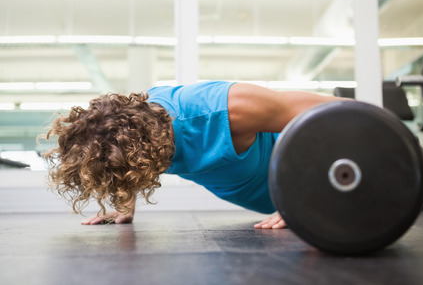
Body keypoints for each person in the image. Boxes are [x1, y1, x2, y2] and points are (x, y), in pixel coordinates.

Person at [43, 80, 340, 229]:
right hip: (270, 206)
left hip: (316, 189)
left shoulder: (230, 108)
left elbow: (340, 115)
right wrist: (125, 205)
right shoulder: (135, 134)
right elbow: (120, 154)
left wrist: (306, 203)